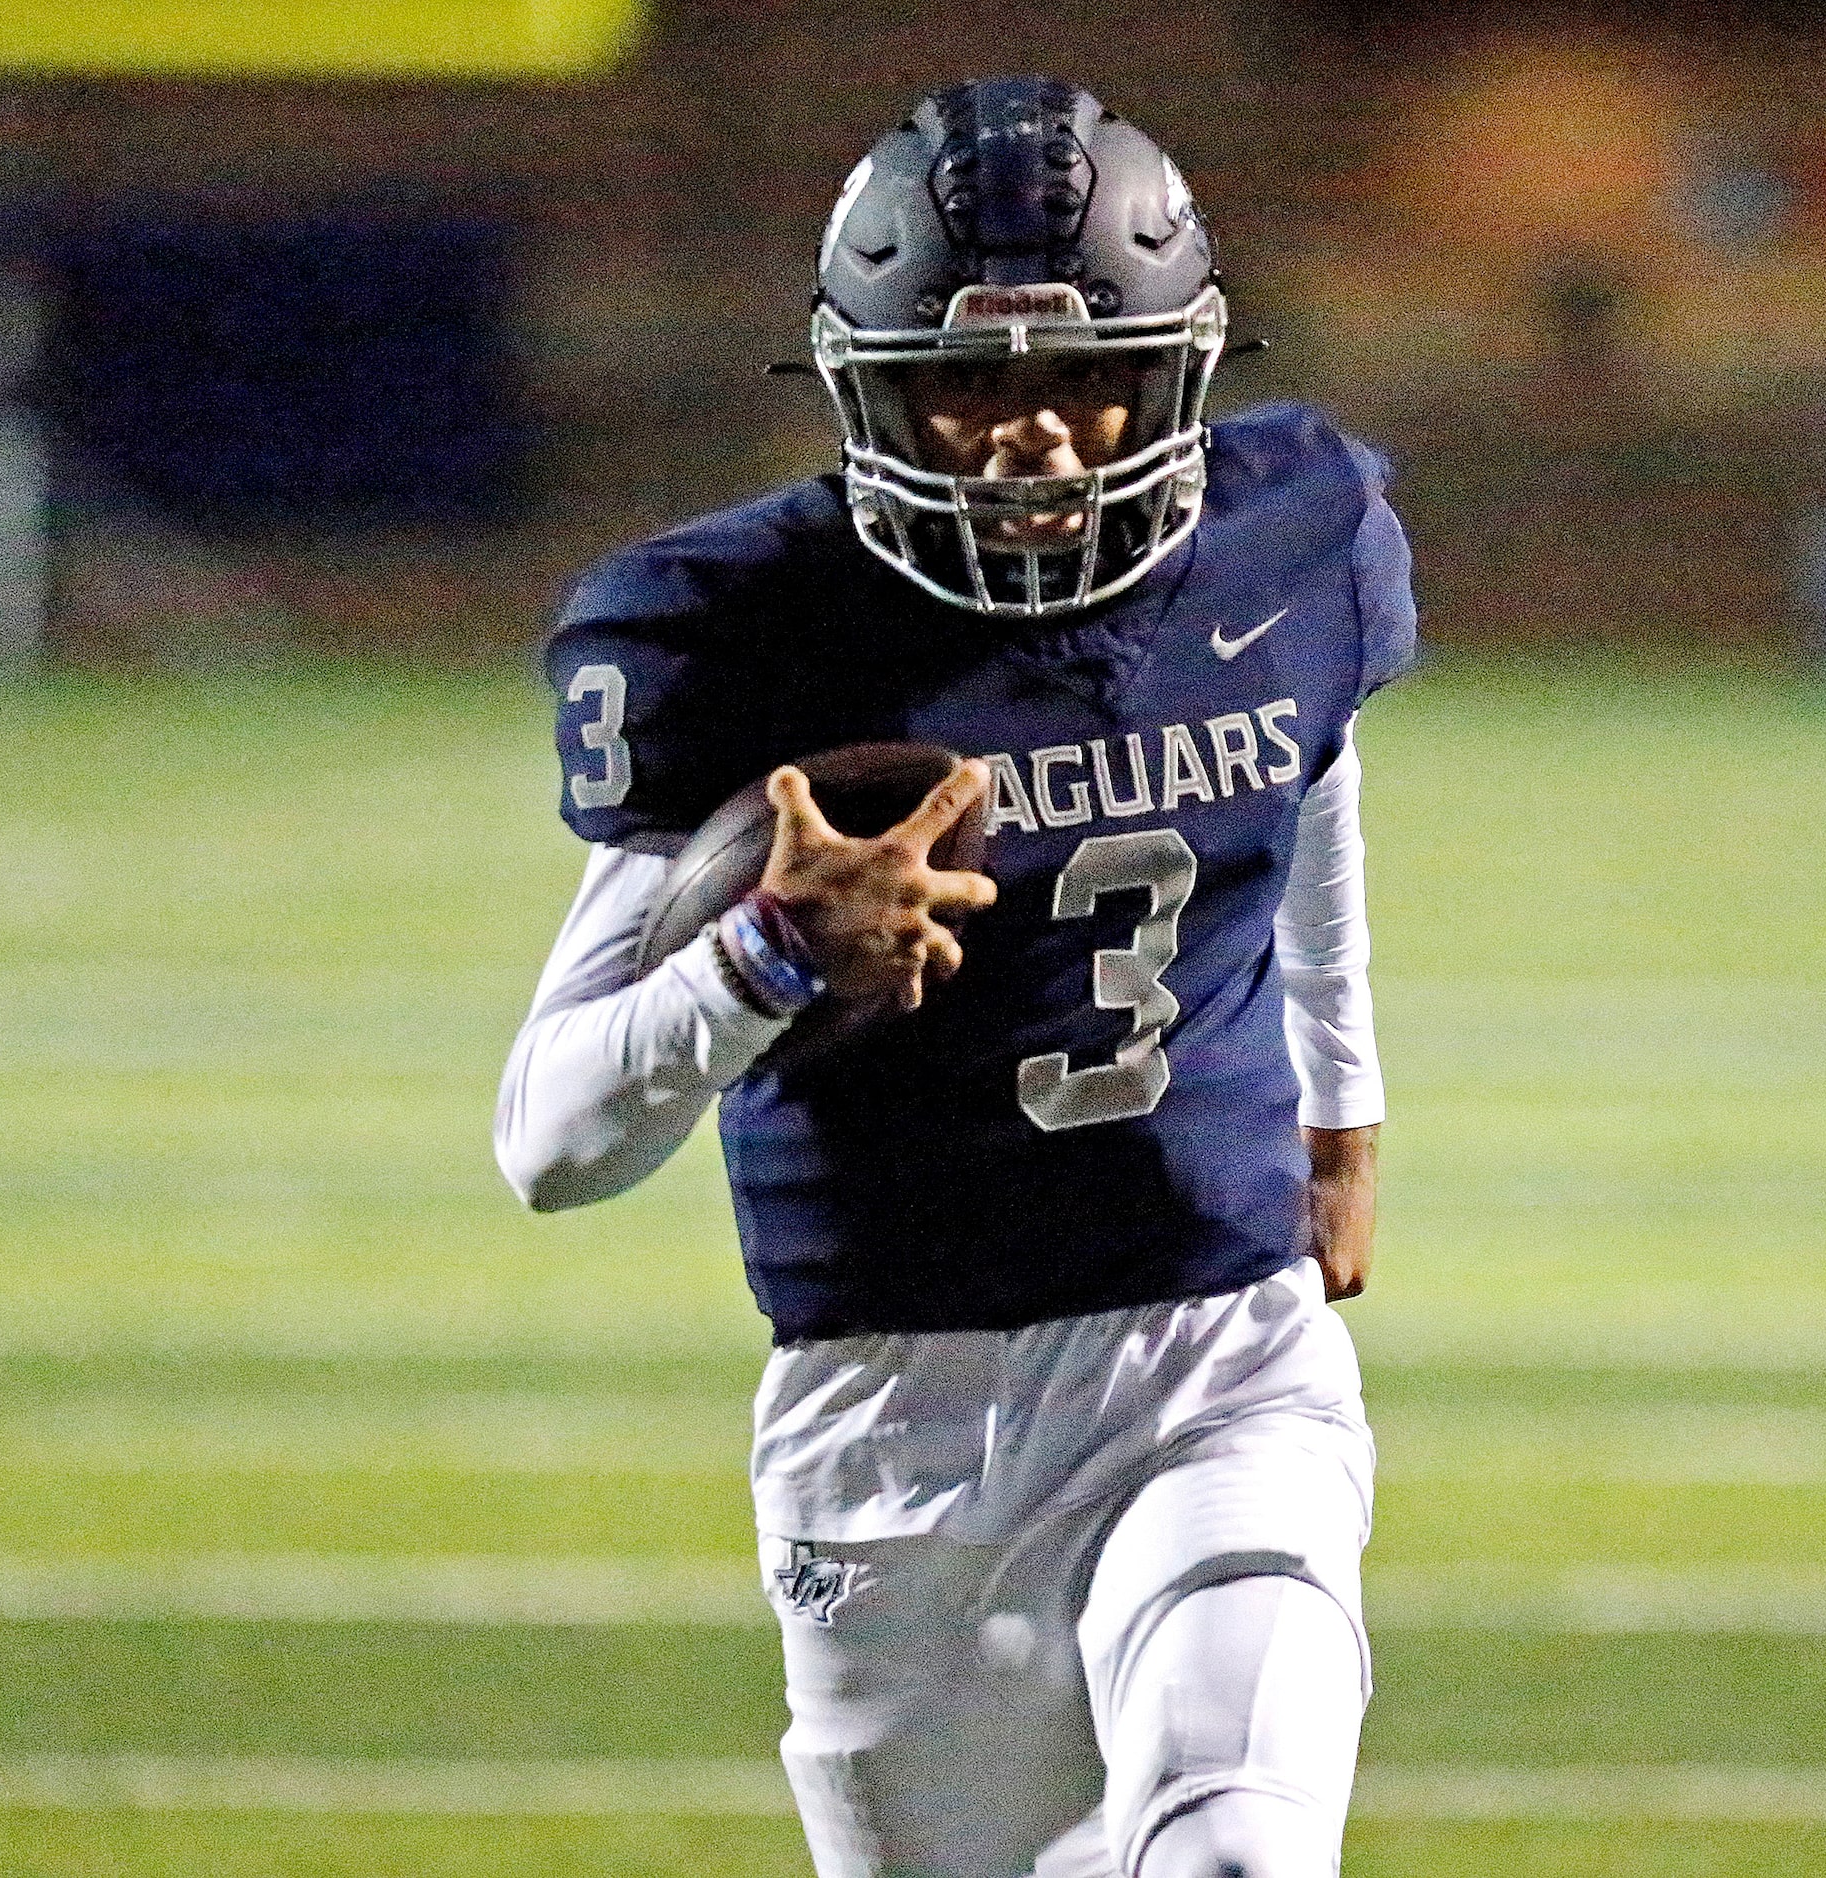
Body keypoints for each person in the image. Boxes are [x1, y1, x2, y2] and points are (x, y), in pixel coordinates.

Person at [496, 76, 1418, 1878]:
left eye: (1087, 377)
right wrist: (765, 951)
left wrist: (1340, 1096)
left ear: (1179, 370)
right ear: (863, 390)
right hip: (888, 1405)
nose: (1037, 440)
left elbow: (1303, 766)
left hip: (1215, 1349)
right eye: (966, 385)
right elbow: (549, 1140)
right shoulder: (742, 639)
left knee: (1235, 1850)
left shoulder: (1287, 536)